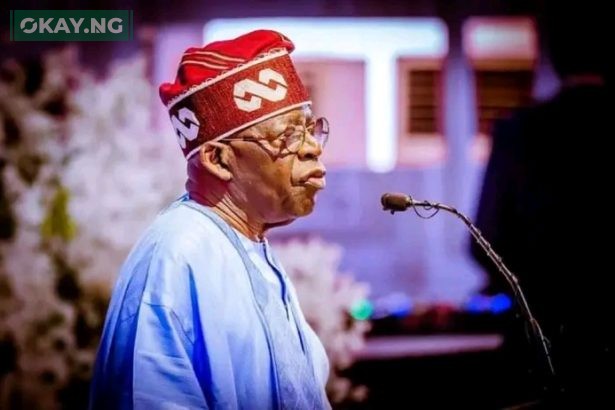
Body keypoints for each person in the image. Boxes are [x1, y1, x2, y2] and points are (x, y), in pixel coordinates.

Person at [89, 30, 331, 410]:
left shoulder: (249, 247)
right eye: (288, 136)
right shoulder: (176, 255)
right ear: (218, 159)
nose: (312, 148)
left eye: (309, 130)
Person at [471, 4, 613, 408]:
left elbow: (484, 240)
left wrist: (527, 290)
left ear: (552, 54)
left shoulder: (519, 132)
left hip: (540, 349)